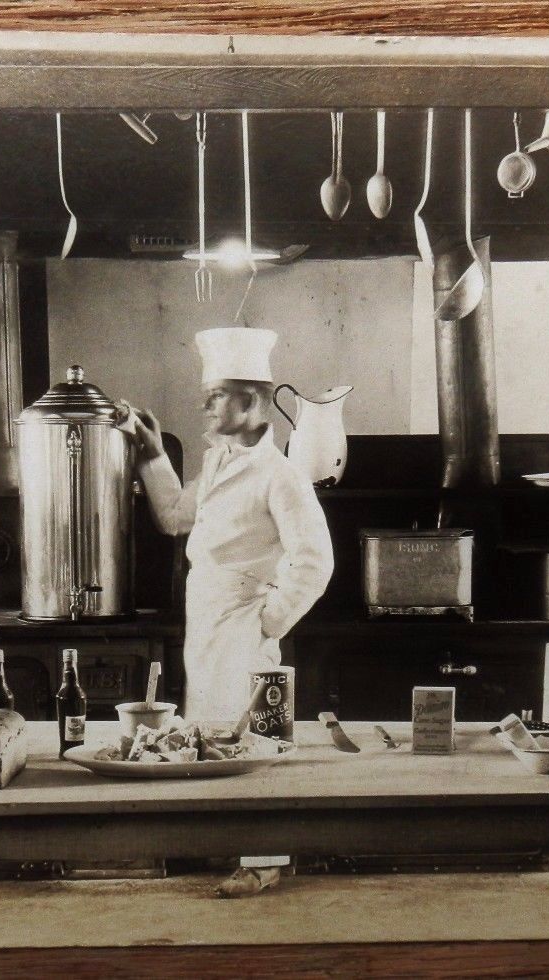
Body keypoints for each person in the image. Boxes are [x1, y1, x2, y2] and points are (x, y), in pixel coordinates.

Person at [119, 326, 334, 898]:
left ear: (252, 401)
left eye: (215, 394)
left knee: (253, 744)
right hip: (207, 617)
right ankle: (227, 846)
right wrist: (154, 452)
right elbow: (173, 517)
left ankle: (264, 861)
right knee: (211, 735)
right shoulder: (218, 463)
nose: (203, 404)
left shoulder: (280, 474)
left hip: (243, 621)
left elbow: (315, 561)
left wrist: (267, 621)